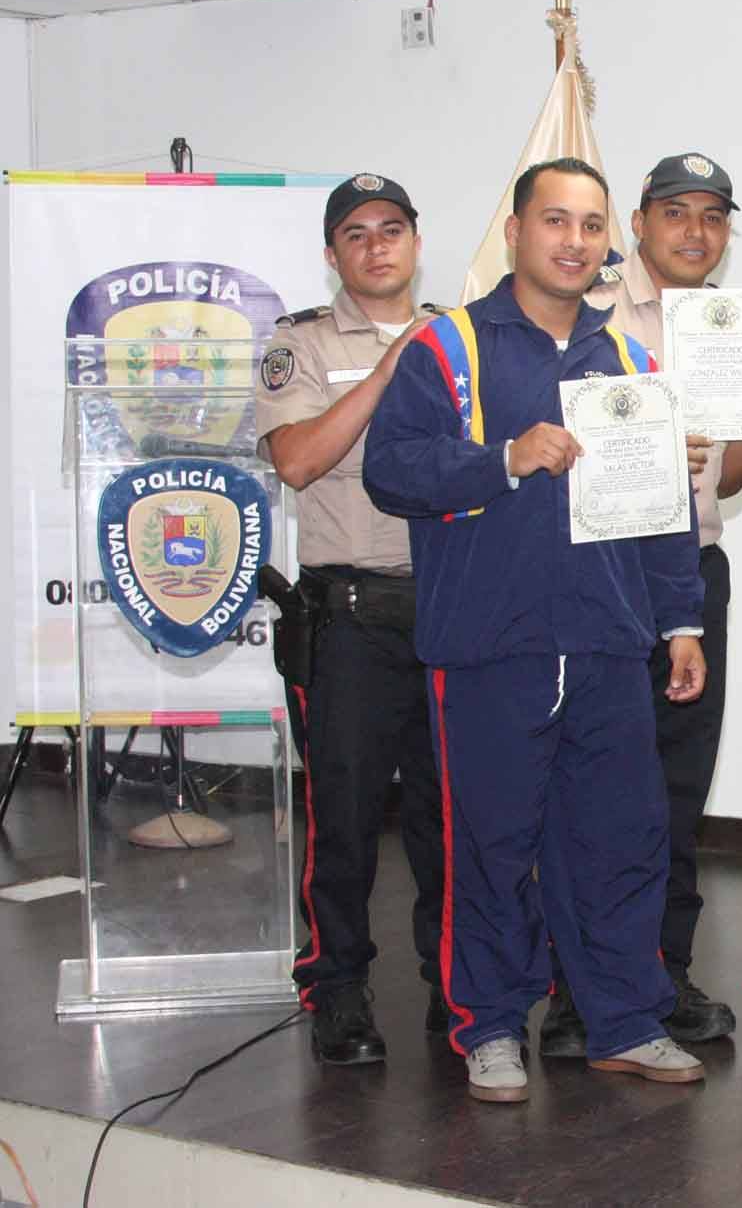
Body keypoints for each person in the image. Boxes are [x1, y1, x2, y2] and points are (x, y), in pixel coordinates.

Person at [364, 156, 711, 1102]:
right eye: (555, 222)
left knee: (620, 841)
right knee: (491, 846)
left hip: (607, 641)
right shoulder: (450, 351)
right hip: (489, 644)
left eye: (591, 226)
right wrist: (502, 460)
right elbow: (391, 472)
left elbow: (665, 513)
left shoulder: (631, 363)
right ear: (514, 232)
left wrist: (681, 620)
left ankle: (625, 1022)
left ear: (610, 240)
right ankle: (490, 1028)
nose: (573, 242)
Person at [539, 153, 742, 1056]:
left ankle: (661, 974)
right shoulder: (586, 312)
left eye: (713, 217)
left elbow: (730, 481)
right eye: (676, 214)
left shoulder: (737, 333)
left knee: (675, 788)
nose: (694, 232)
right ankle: (576, 989)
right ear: (636, 224)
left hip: (692, 569)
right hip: (598, 573)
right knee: (583, 789)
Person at [255, 173, 447, 1065]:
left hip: (451, 611)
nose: (378, 246)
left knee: (454, 820)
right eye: (358, 234)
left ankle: (459, 987)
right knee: (344, 815)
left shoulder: (462, 337)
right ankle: (337, 987)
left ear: (415, 242)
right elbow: (296, 460)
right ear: (333, 253)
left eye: (394, 229)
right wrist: (387, 370)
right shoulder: (297, 344)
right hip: (353, 617)